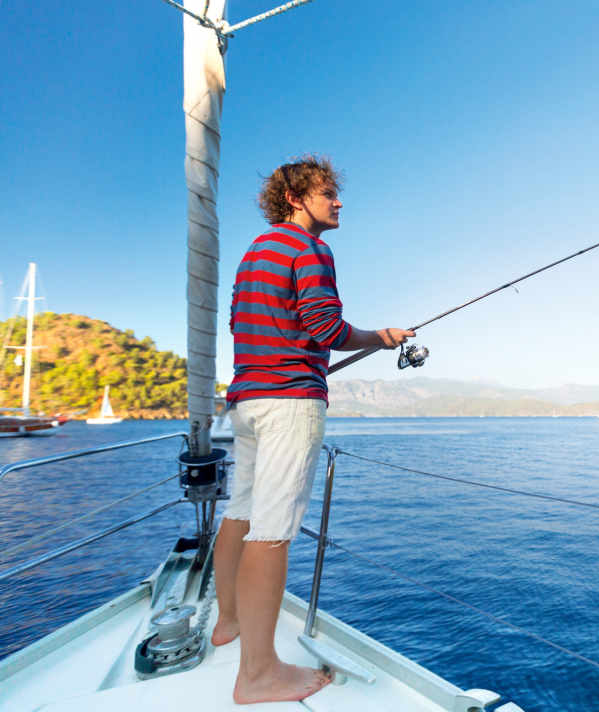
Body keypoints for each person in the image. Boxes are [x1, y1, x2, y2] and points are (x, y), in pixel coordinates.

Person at [212, 155, 414, 704]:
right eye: (328, 193)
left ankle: (227, 622)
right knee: (271, 531)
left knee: (240, 510)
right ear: (296, 199)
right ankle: (258, 674)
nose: (339, 201)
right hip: (287, 404)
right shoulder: (310, 249)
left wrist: (292, 350)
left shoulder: (256, 252)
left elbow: (242, 323)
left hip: (248, 400)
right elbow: (324, 326)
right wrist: (381, 336)